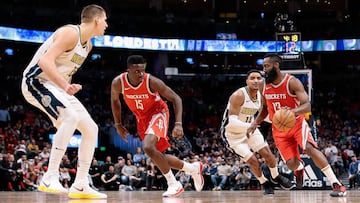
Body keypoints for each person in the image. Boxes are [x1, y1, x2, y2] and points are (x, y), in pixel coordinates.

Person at [21, 4, 108, 199]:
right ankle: (49, 176)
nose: (106, 24)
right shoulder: (70, 33)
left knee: (91, 129)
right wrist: (65, 86)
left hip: (56, 86)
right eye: (105, 20)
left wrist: (66, 87)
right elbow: (45, 62)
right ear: (96, 20)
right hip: (35, 81)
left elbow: (63, 71)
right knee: (70, 117)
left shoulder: (89, 45)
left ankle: (81, 184)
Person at [247, 53, 347, 197]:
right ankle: (299, 168)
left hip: (297, 124)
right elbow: (264, 108)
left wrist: (292, 111)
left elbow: (307, 106)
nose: (264, 70)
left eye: (266, 66)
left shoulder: (292, 82)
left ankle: (336, 184)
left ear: (276, 65)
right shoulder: (263, 85)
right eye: (263, 67)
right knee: (292, 164)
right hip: (279, 129)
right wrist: (255, 123)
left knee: (310, 149)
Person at [110, 55, 203, 197]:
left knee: (148, 147)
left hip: (158, 113)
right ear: (127, 71)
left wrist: (178, 123)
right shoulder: (118, 83)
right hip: (142, 119)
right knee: (158, 157)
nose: (140, 74)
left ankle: (174, 184)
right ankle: (193, 168)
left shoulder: (151, 81)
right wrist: (118, 124)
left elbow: (176, 98)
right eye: (136, 71)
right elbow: (115, 101)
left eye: (142, 70)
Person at [221, 69, 295, 195]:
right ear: (247, 81)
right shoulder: (238, 95)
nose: (256, 81)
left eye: (259, 78)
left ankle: (275, 176)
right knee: (253, 161)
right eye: (252, 78)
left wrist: (278, 119)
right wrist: (250, 126)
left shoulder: (262, 94)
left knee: (269, 156)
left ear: (263, 81)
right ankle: (264, 183)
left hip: (250, 129)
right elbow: (231, 121)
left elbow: (264, 114)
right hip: (232, 134)